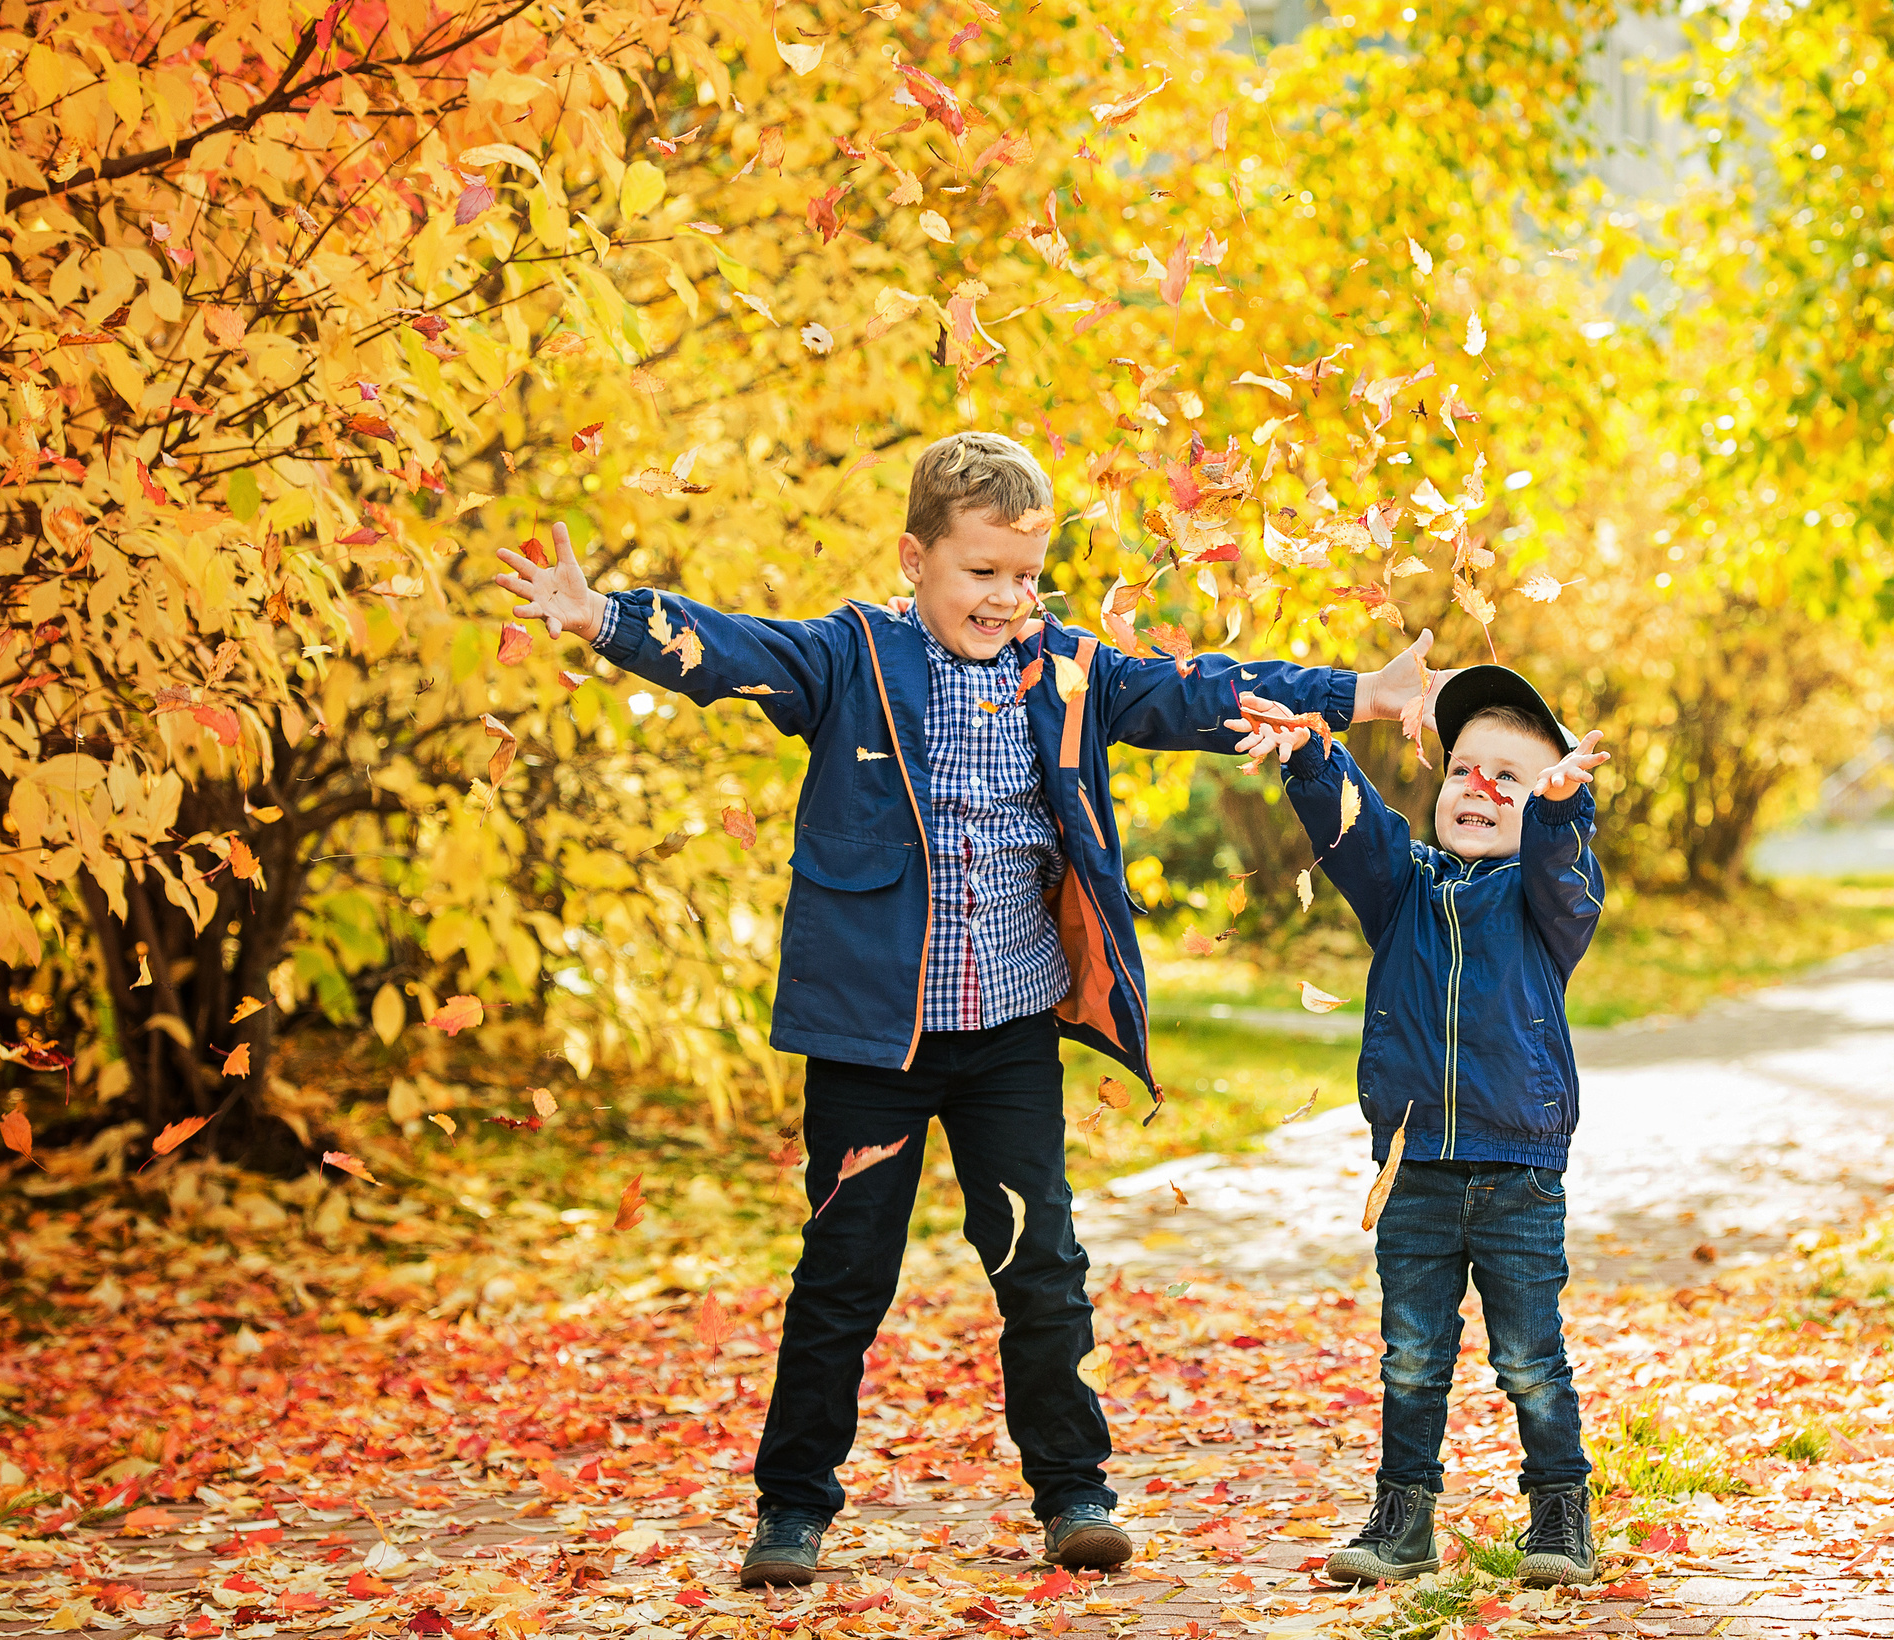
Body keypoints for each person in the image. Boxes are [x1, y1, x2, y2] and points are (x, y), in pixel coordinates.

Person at [494, 432, 1447, 1588]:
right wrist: (605, 619)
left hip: (1005, 1037)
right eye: (980, 573)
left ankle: (1074, 1493)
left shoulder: (1066, 670)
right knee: (843, 1277)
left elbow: (1196, 692)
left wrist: (1358, 692)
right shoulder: (852, 660)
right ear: (916, 559)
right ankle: (791, 1510)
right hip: (871, 1045)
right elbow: (731, 650)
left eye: (1023, 574)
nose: (1005, 598)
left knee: (1038, 1264)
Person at [1232, 665, 1610, 1589]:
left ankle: (1559, 1514)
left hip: (1517, 1171)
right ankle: (1402, 1520)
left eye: (1508, 779)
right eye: (1461, 770)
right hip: (1414, 1173)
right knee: (1412, 1360)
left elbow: (1564, 865)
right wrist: (1316, 756)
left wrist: (1560, 811)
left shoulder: (1545, 903)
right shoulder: (1403, 891)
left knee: (1529, 1359)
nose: (1477, 789)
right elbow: (1355, 833)